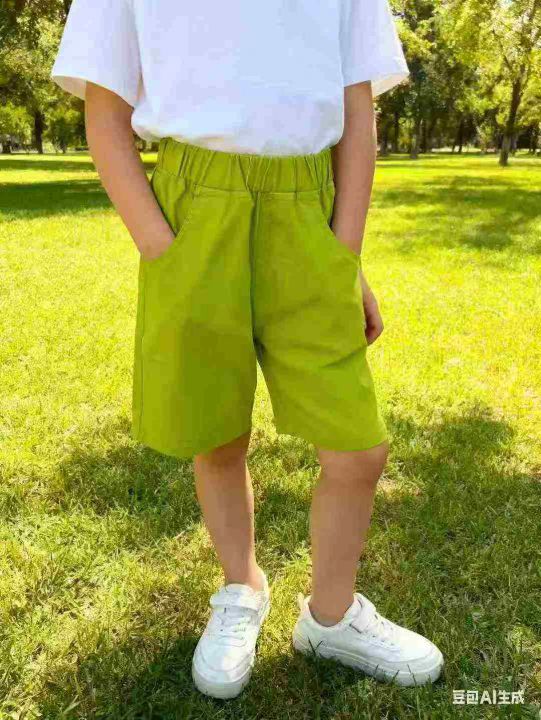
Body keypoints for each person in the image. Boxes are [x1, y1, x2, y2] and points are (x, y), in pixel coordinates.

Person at [51, 0, 443, 700]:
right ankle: (241, 587)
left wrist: (343, 258)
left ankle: (330, 617)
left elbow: (357, 112)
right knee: (217, 431)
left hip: (310, 210)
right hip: (192, 210)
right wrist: (162, 250)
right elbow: (104, 110)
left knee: (358, 447)